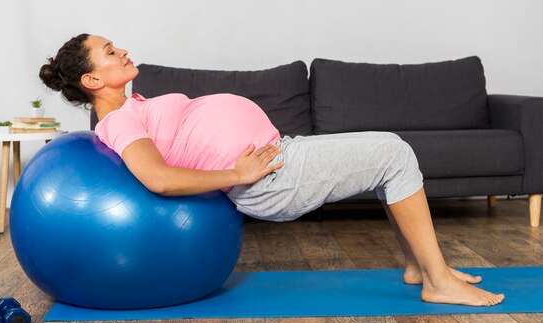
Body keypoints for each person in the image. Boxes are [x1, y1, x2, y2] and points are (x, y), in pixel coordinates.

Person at [39, 33, 504, 306]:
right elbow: (157, 178)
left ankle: (418, 267)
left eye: (116, 45)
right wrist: (237, 175)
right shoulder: (118, 121)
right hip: (272, 179)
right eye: (109, 52)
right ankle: (439, 282)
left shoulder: (131, 105)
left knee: (389, 158)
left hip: (281, 156)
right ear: (92, 80)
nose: (122, 52)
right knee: (394, 152)